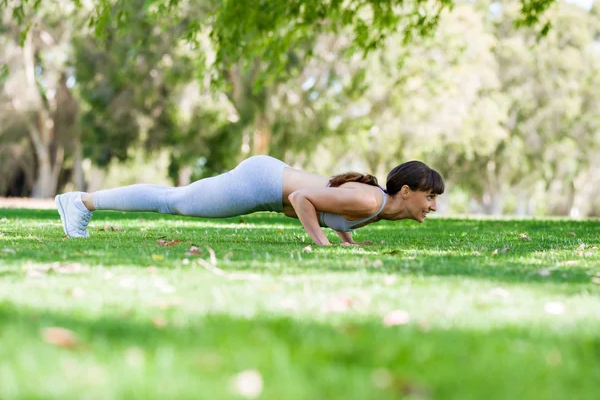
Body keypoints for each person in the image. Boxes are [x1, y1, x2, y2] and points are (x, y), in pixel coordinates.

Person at [55, 155, 444, 246]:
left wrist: (347, 240)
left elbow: (334, 209)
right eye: (430, 197)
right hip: (262, 184)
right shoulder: (370, 201)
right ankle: (81, 203)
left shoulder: (379, 205)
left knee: (174, 199)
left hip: (266, 180)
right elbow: (302, 197)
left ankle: (81, 202)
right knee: (174, 202)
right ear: (406, 192)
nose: (434, 206)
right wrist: (321, 243)